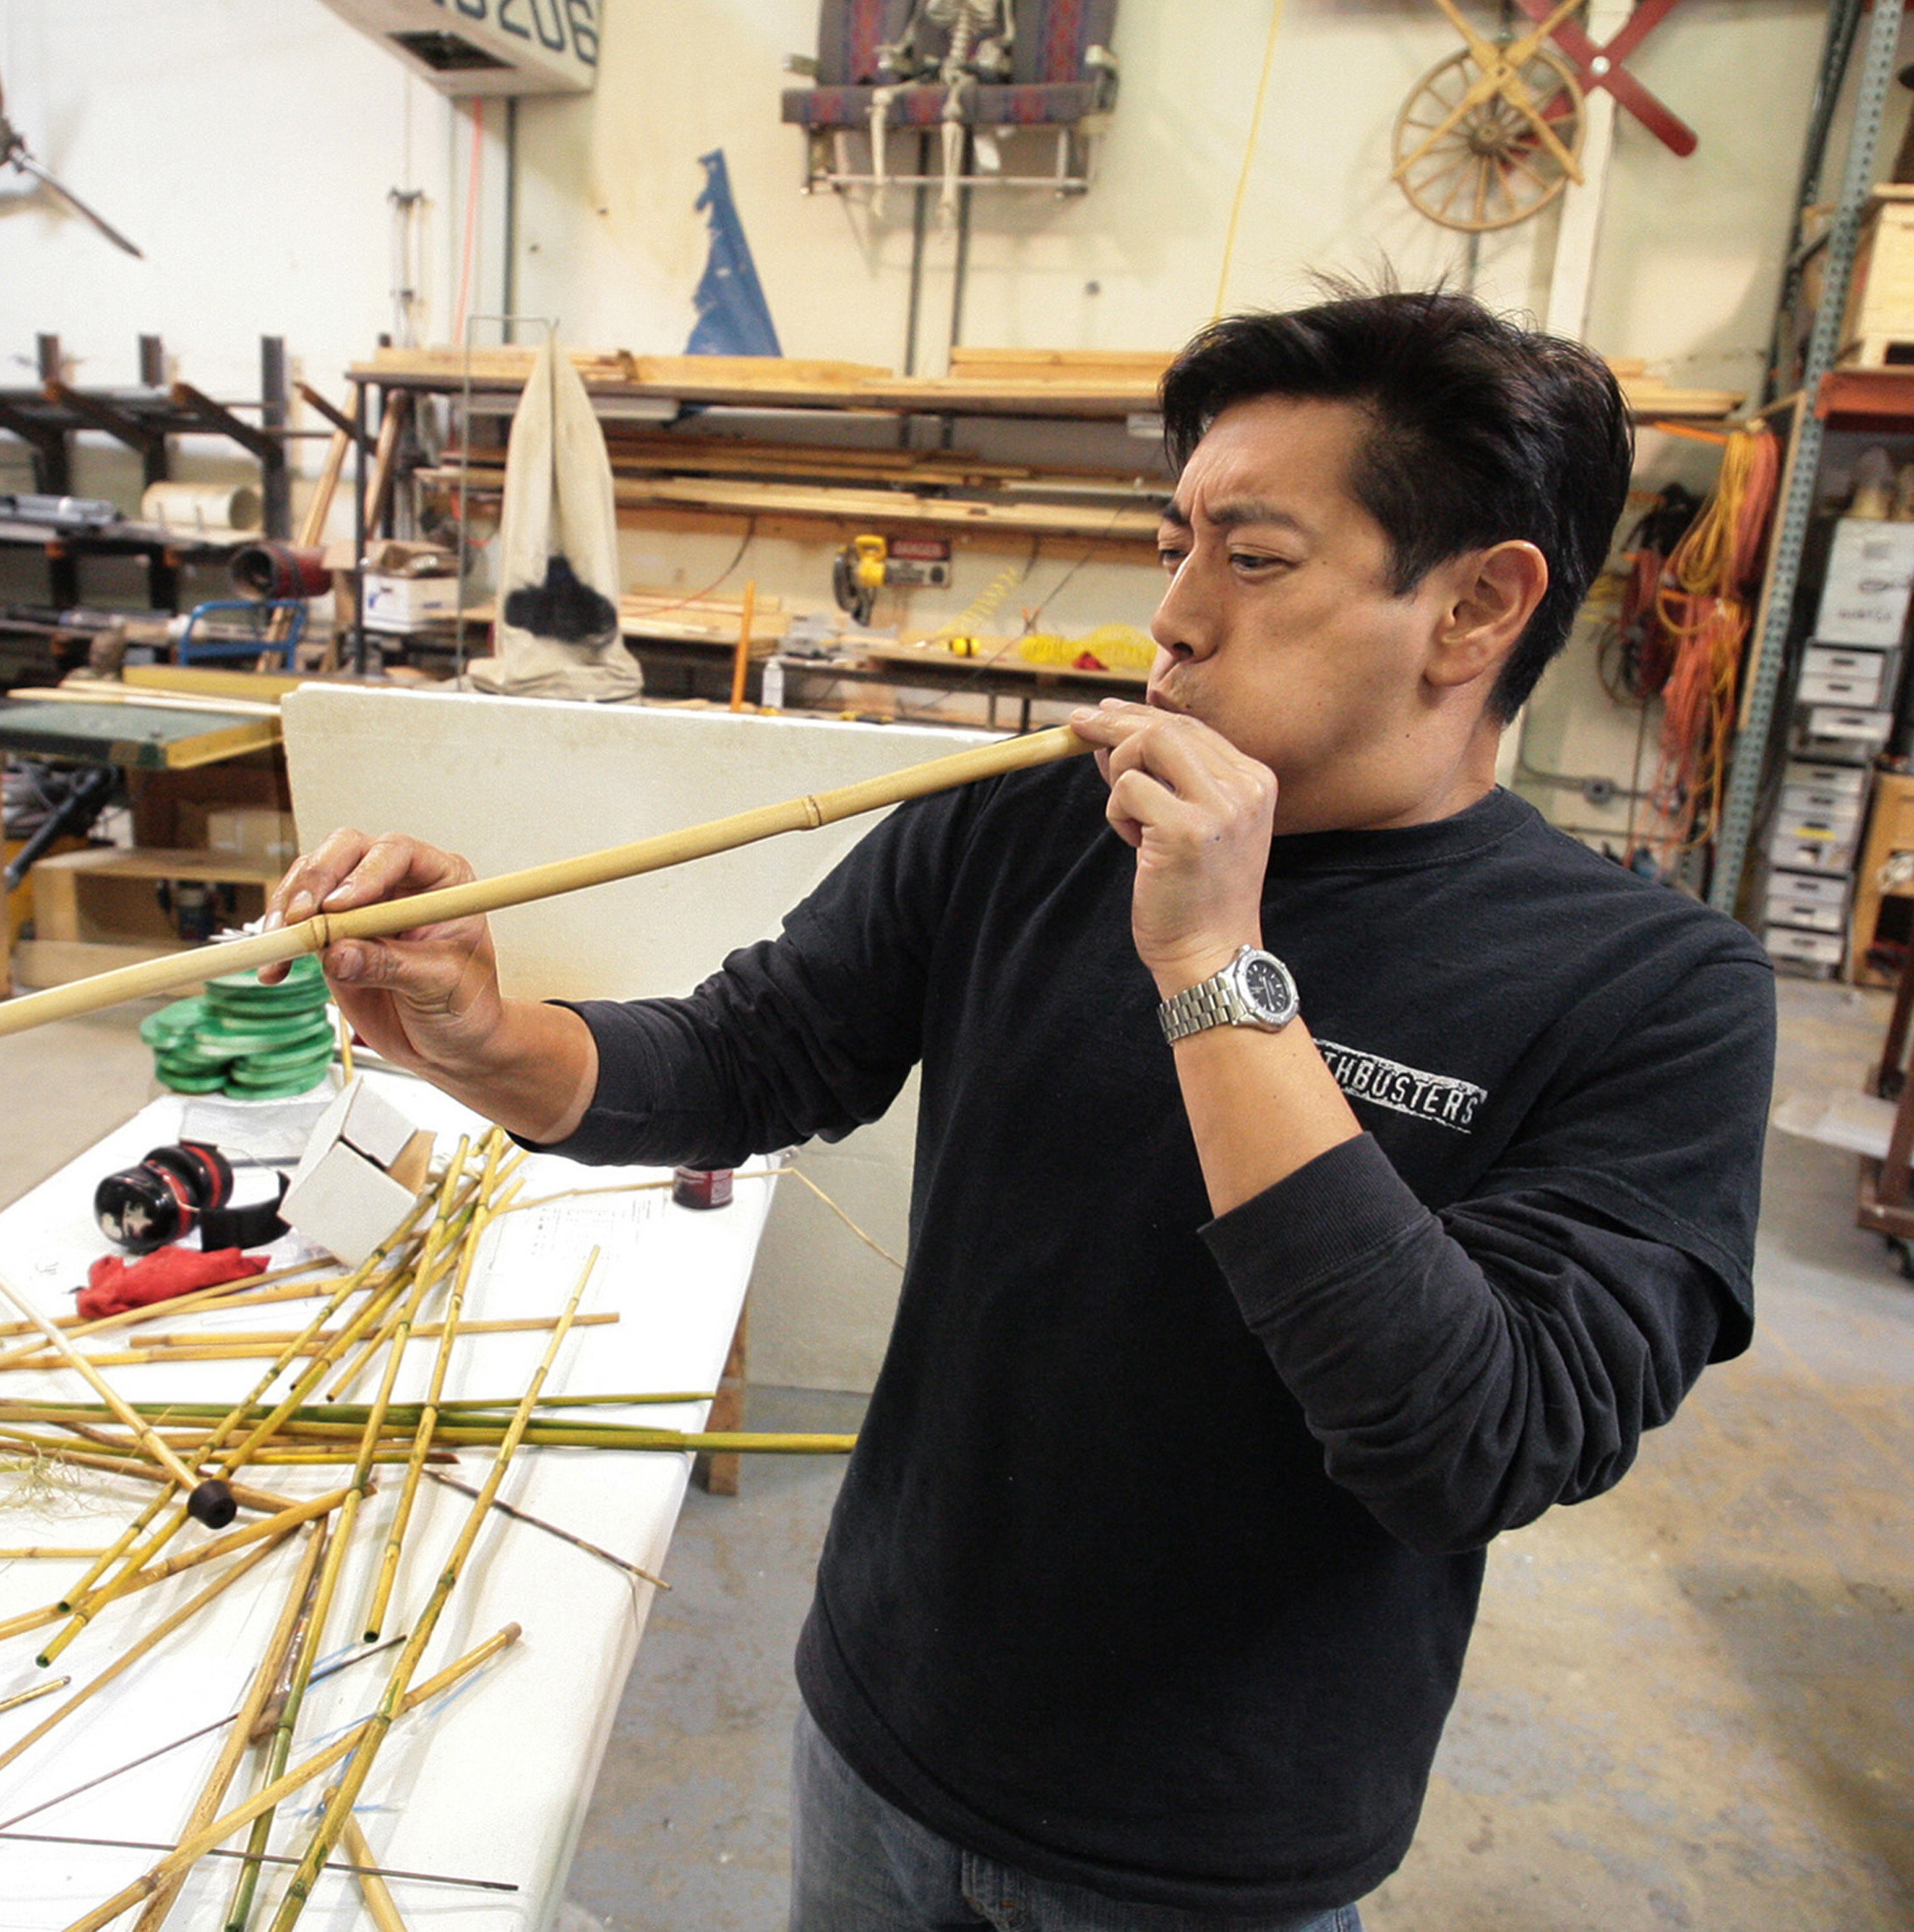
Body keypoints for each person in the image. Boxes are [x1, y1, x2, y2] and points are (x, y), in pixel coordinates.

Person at [263, 290, 1776, 1930]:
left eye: (1253, 559)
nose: (1174, 617)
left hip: (1211, 1838)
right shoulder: (1034, 818)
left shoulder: (1654, 987)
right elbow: (753, 1052)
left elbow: (1473, 1441)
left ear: (1478, 604)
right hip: (888, 1716)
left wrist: (1214, 962)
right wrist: (482, 1037)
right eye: (1177, 539)